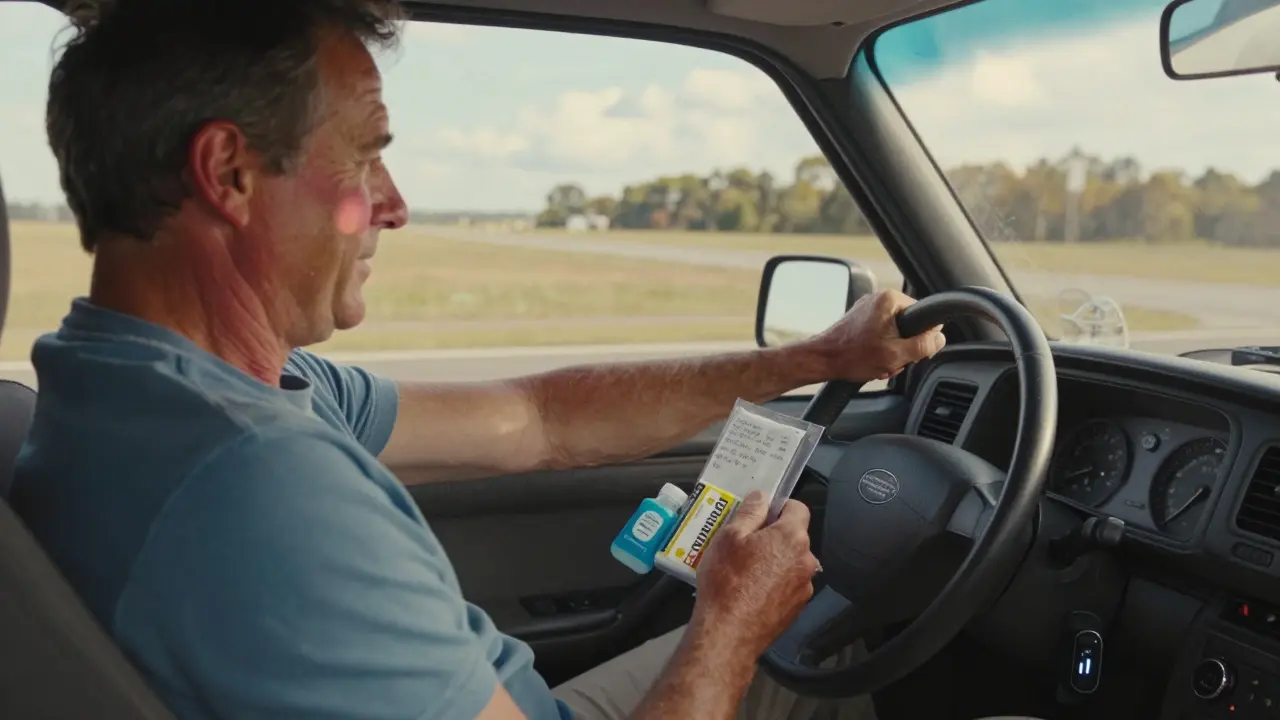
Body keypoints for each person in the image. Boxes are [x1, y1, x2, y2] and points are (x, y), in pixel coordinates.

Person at [10, 1, 949, 719]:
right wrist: (733, 622)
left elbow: (540, 419)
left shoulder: (150, 385)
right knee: (822, 663)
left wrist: (821, 354)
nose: (395, 204)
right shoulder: (253, 482)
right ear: (228, 175)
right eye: (366, 156)